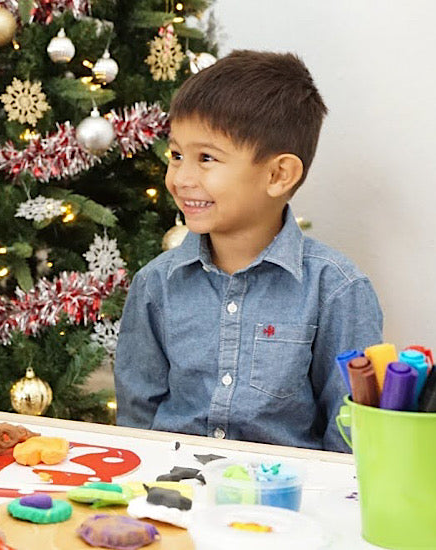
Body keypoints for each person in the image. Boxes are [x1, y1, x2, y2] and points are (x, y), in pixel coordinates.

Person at [114, 50, 382, 452]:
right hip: (171, 494)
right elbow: (136, 423)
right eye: (176, 156)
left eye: (206, 158)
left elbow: (350, 436)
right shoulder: (155, 284)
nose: (181, 177)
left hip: (286, 503)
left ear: (278, 174)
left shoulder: (338, 290)